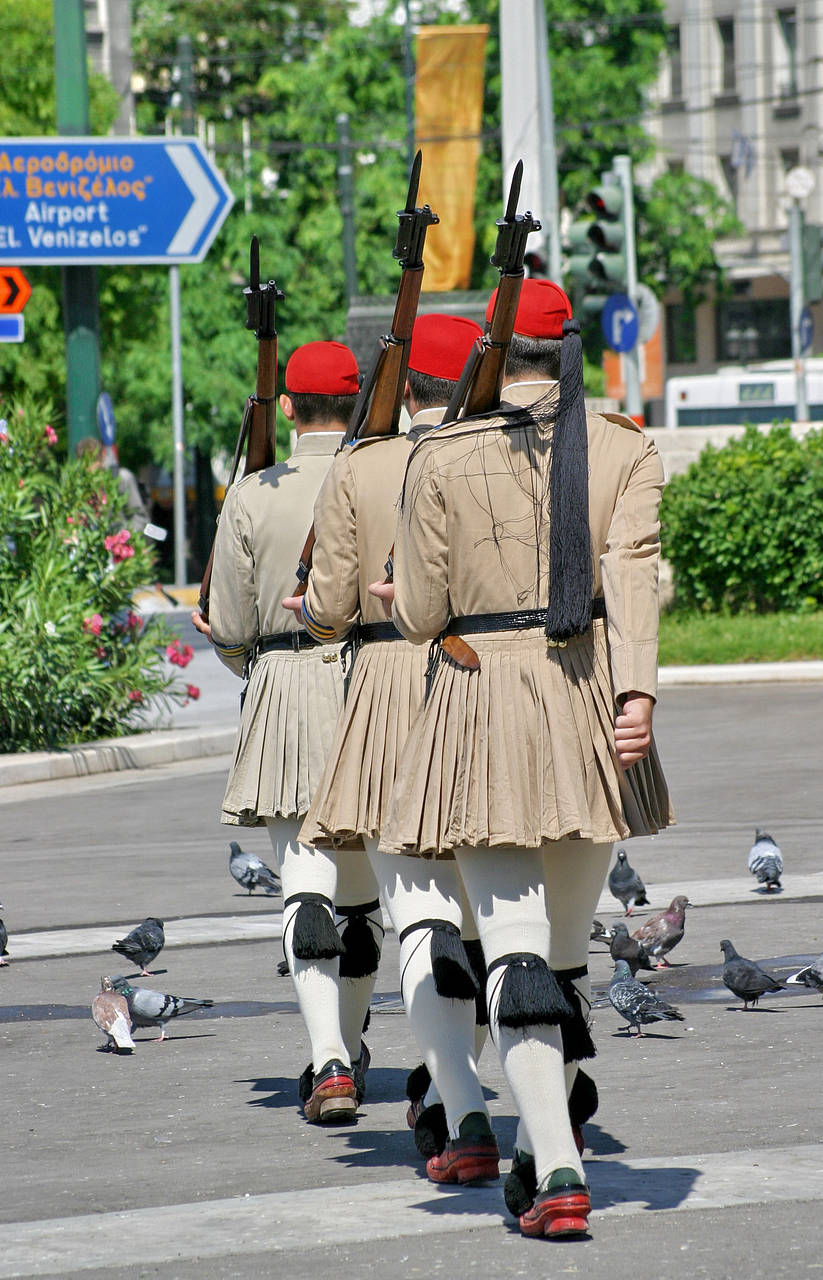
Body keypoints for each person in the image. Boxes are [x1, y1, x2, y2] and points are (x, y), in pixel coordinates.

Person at [375, 278, 674, 1238]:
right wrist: (637, 692)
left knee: (510, 949)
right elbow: (633, 576)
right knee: (566, 958)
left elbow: (422, 618)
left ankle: (554, 1168)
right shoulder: (625, 445)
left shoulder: (442, 453)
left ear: (493, 353)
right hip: (591, 703)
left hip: (482, 711)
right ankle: (553, 1136)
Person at [284, 313, 499, 1177]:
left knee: (416, 913)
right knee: (491, 921)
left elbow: (331, 606)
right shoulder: (502, 451)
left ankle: (462, 1107)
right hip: (486, 683)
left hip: (384, 691)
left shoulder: (359, 465)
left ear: (404, 388)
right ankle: (470, 1081)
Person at [192, 340, 382, 1125]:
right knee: (366, 902)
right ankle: (351, 1042)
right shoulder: (383, 474)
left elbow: (232, 629)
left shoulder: (250, 492)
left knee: (303, 888)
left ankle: (327, 1063)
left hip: (284, 686)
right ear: (361, 402)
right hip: (374, 688)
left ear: (293, 409)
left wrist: (252, 659)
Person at [75, 436, 151, 534]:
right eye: (85, 465)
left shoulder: (122, 478)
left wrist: (122, 536)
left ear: (103, 456)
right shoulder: (78, 485)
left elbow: (140, 518)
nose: (91, 469)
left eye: (94, 461)